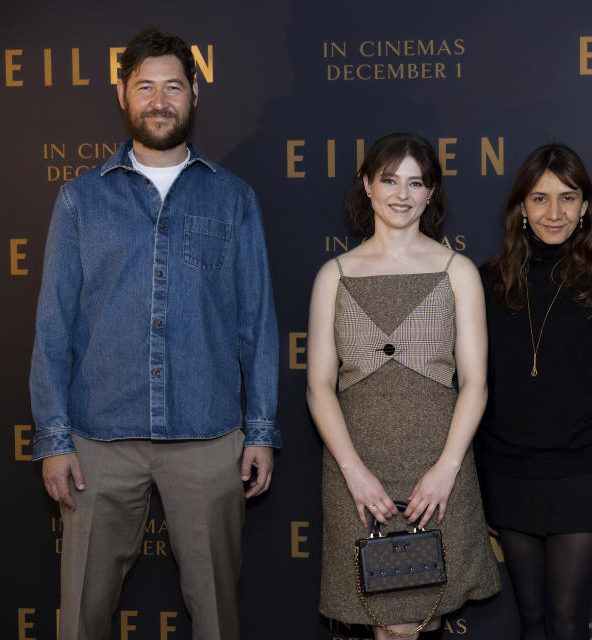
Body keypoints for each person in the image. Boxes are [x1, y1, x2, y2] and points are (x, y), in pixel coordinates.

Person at [29, 28, 279, 640]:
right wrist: (54, 439)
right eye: (146, 87)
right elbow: (53, 328)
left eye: (173, 86)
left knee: (218, 617)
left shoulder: (233, 199)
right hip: (98, 444)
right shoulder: (80, 201)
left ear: (194, 93)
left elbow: (258, 326)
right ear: (122, 94)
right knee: (82, 617)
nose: (159, 100)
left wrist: (262, 430)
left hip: (209, 438)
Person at [306, 132, 500, 640]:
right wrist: (354, 473)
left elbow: (476, 383)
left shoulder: (457, 272)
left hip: (437, 470)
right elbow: (319, 387)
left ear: (431, 193)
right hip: (357, 470)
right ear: (366, 185)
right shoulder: (334, 274)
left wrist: (446, 470)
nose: (401, 194)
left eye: (416, 183)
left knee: (423, 618)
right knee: (383, 623)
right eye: (389, 179)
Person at [477, 144, 592, 640]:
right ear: (521, 209)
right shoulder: (488, 282)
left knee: (568, 622)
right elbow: (471, 389)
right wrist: (478, 487)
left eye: (568, 198)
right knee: (531, 622)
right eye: (539, 198)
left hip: (586, 476)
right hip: (510, 476)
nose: (554, 212)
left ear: (585, 209)